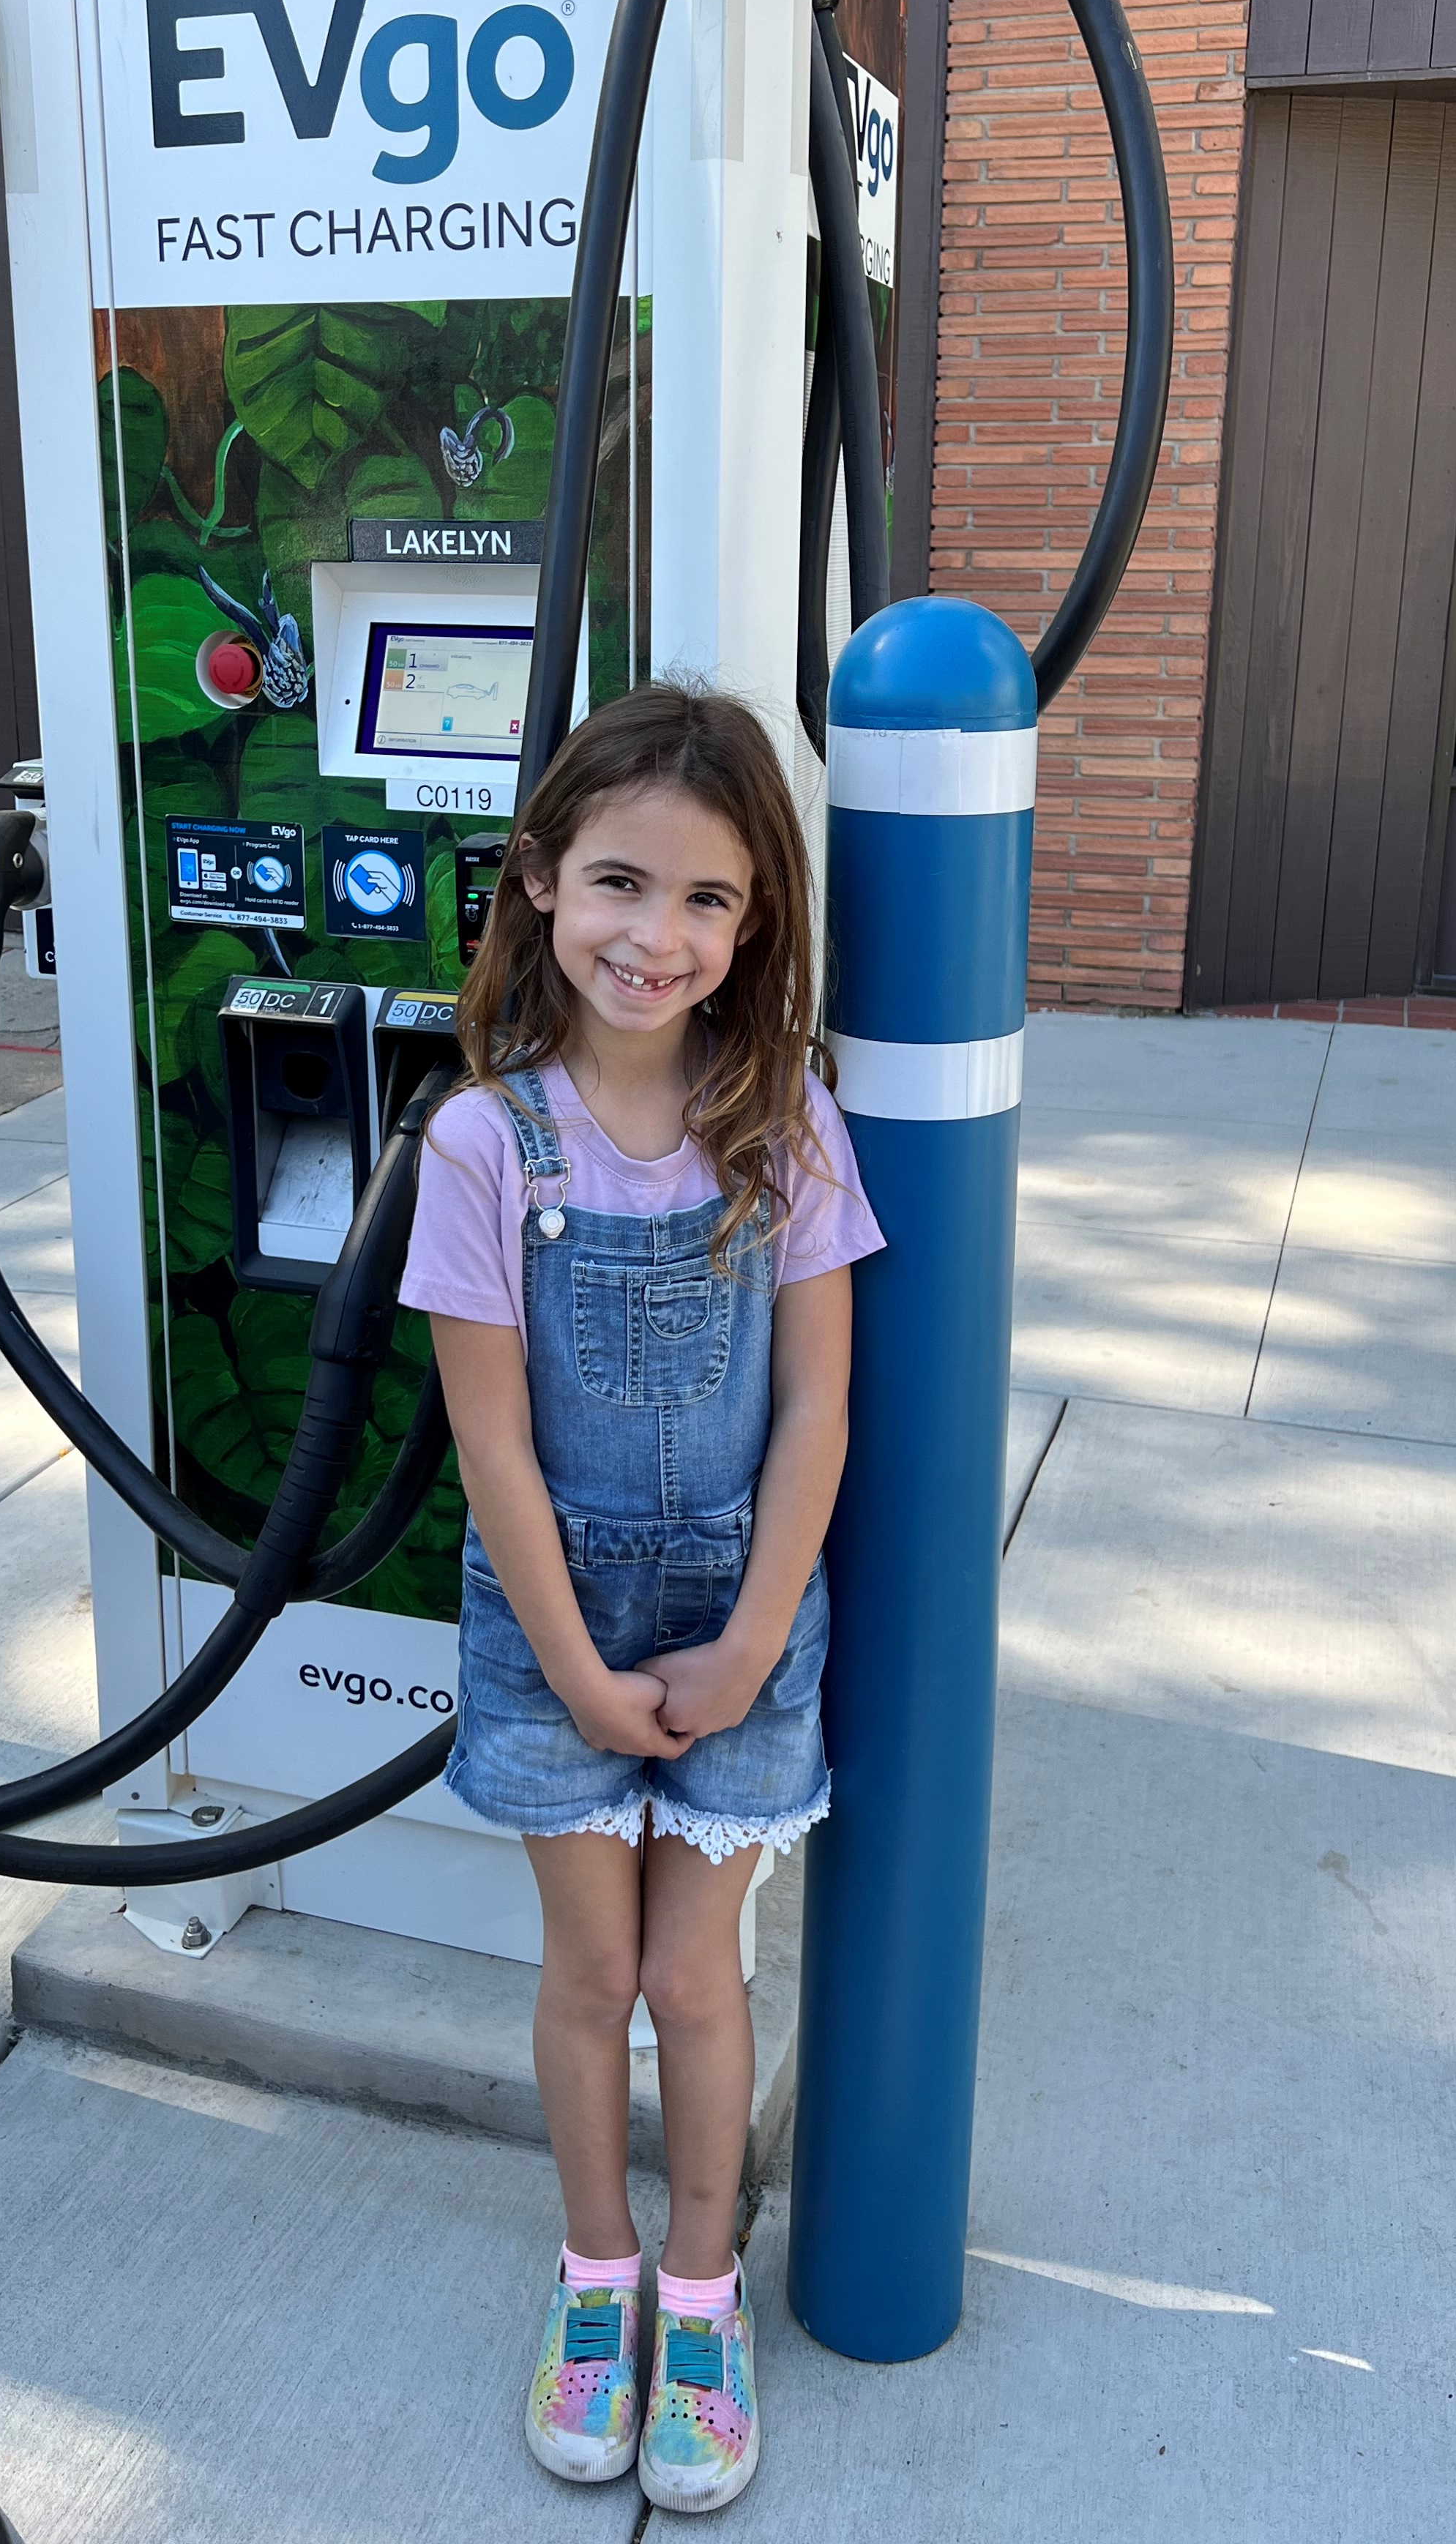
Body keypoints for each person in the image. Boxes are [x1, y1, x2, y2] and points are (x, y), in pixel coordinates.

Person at [400, 680, 884, 2514]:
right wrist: (582, 1676)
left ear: (755, 923)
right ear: (538, 881)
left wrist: (755, 1641)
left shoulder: (788, 1127)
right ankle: (592, 2280)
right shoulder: (481, 1148)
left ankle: (702, 2296)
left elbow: (822, 1405)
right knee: (590, 1971)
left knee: (697, 1975)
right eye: (618, 883)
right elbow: (492, 1447)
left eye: (706, 901)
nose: (655, 936)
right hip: (554, 1632)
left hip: (748, 1621)